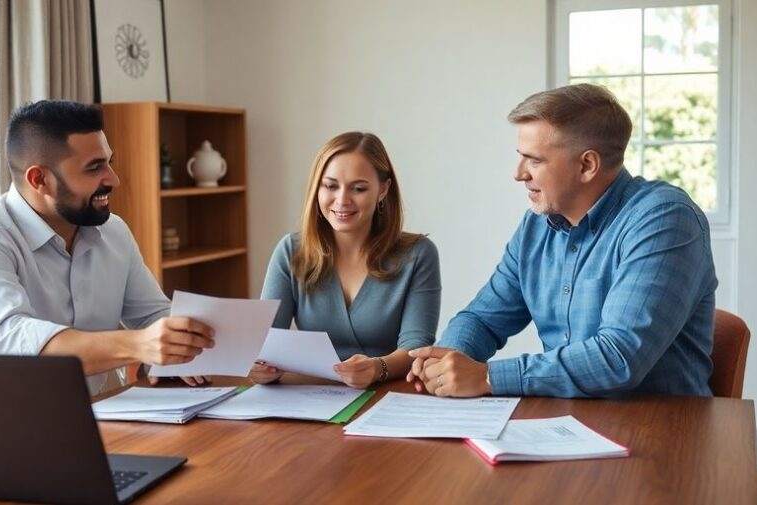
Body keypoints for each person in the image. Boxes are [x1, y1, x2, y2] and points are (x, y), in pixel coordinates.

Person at [407, 83, 717, 398]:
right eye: (520, 158)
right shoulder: (536, 226)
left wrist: (488, 378)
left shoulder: (664, 218)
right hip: (564, 426)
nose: (519, 174)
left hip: (662, 430)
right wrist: (445, 360)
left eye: (534, 161)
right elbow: (483, 319)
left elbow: (619, 357)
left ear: (587, 165)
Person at [0, 100, 213, 394]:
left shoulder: (114, 232)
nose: (114, 179)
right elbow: (19, 343)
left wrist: (190, 349)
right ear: (40, 179)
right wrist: (138, 345)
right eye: (95, 168)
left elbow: (152, 316)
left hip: (95, 417)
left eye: (109, 162)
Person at [255, 132, 441, 389]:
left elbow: (416, 348)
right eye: (330, 186)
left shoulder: (418, 254)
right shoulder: (291, 250)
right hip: (310, 398)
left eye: (359, 188)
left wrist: (377, 368)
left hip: (389, 395)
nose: (342, 200)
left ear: (383, 190)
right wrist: (258, 366)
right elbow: (265, 341)